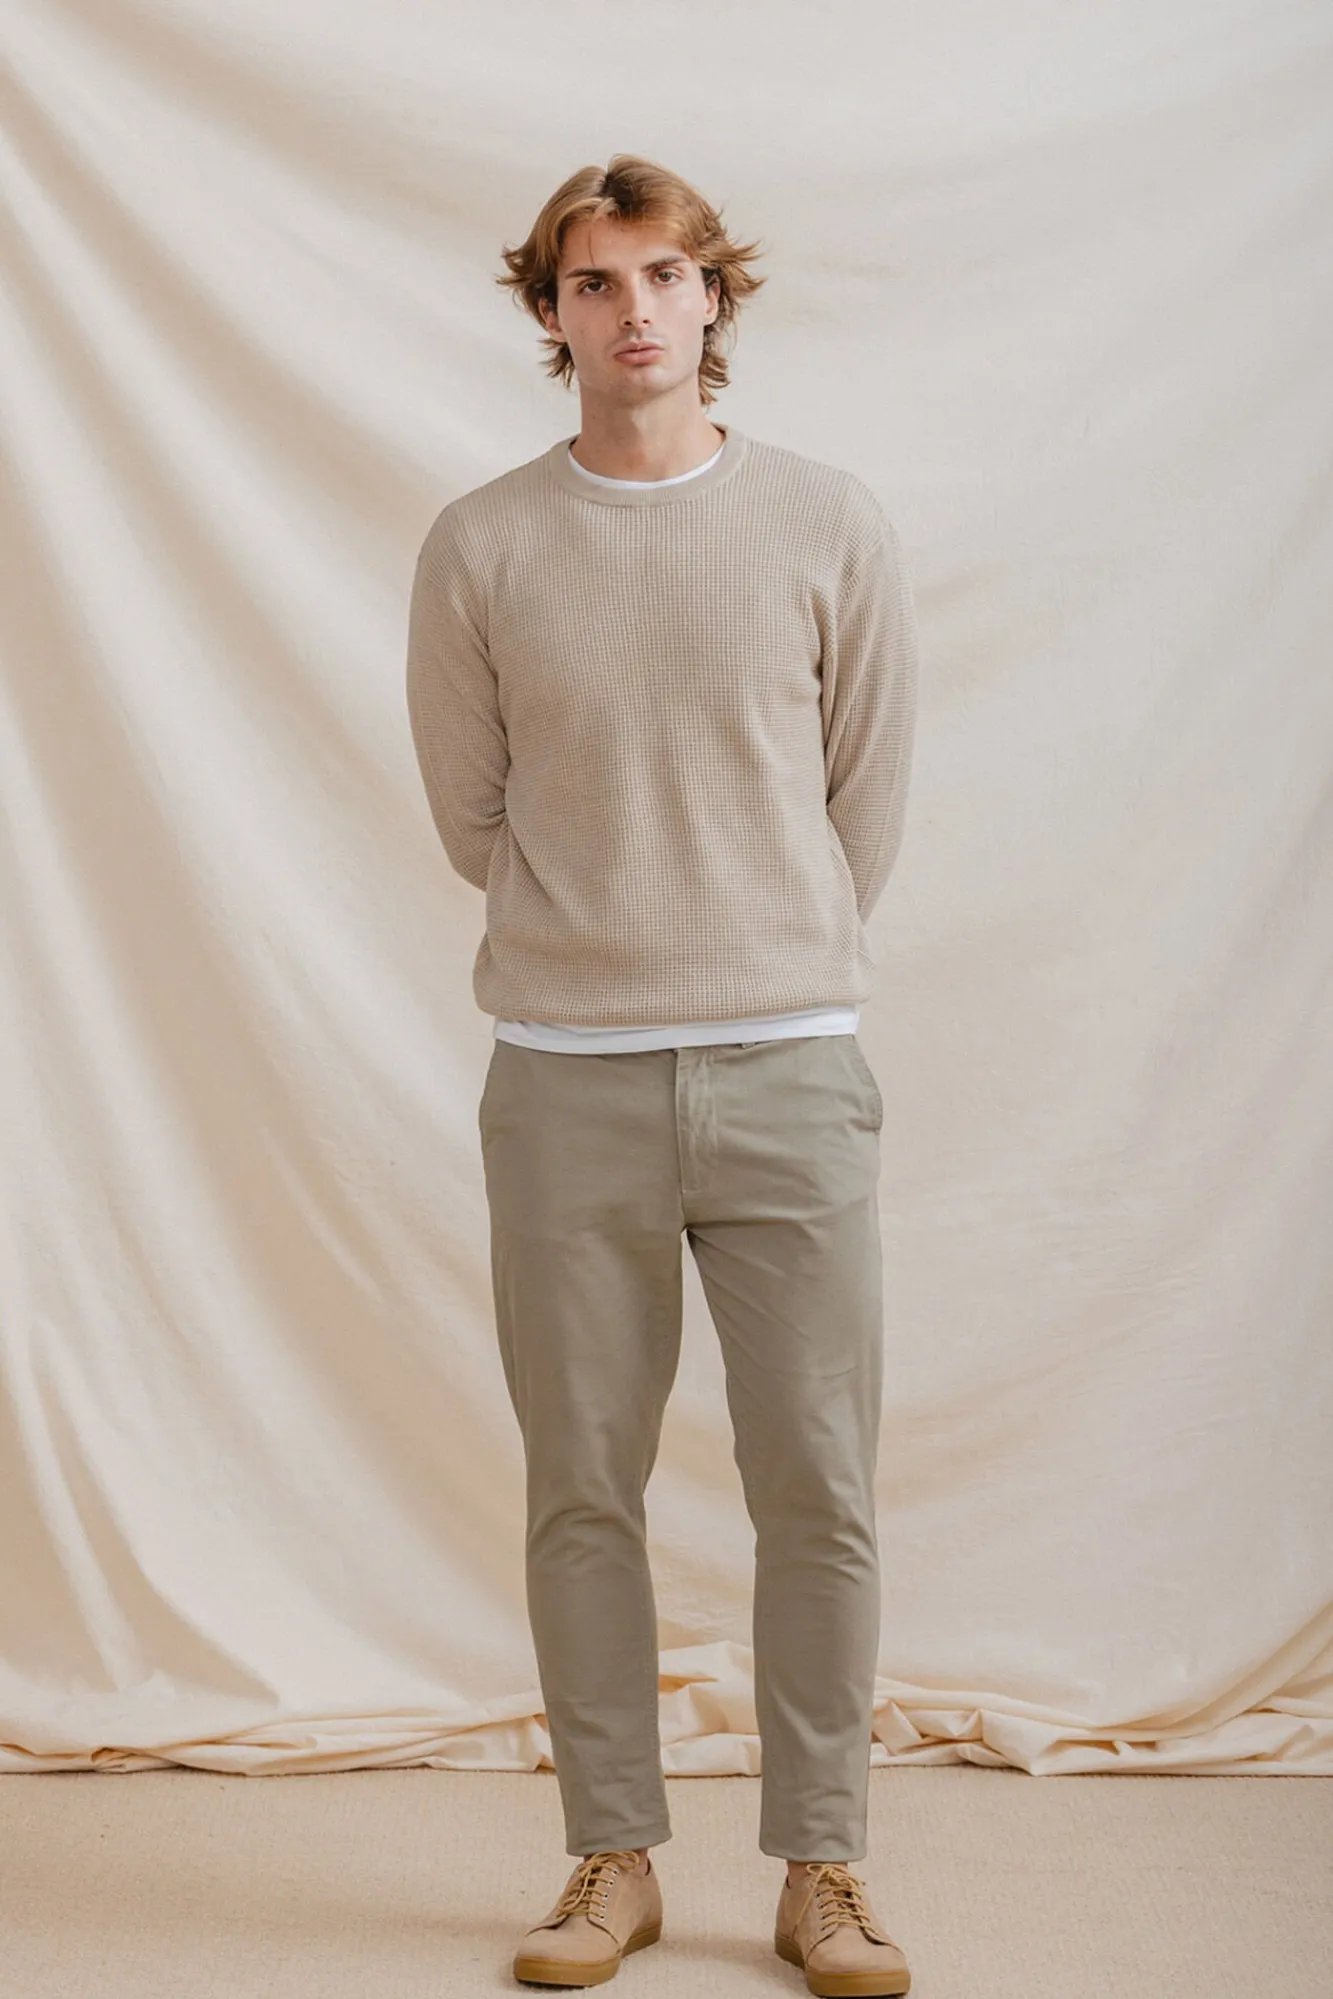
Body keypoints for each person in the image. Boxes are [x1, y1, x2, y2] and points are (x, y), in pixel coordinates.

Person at [405, 152, 918, 1997]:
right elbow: (472, 816)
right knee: (582, 1487)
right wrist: (613, 935)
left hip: (792, 1070)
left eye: (667, 277)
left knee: (821, 1484)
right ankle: (610, 1854)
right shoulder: (484, 544)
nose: (635, 310)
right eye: (595, 282)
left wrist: (759, 944)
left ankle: (825, 1865)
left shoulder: (827, 522)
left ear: (716, 298)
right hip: (568, 1085)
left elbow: (863, 801)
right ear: (550, 315)